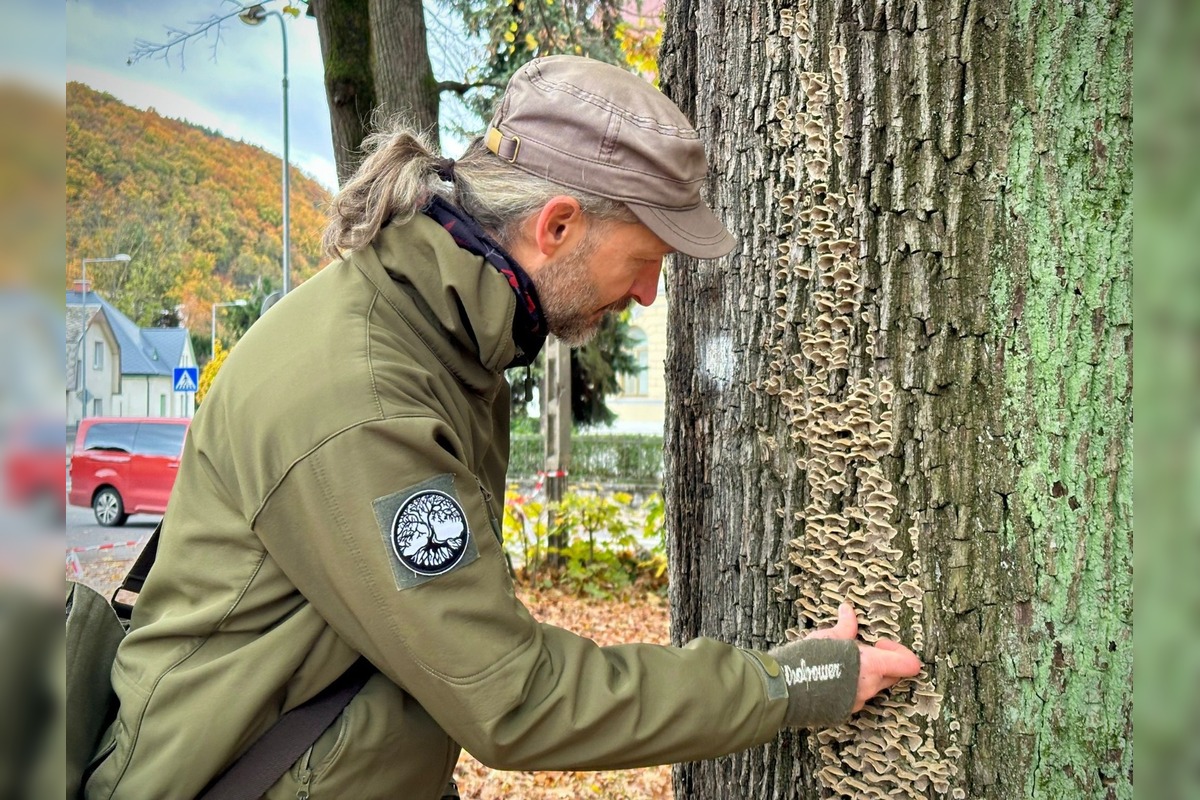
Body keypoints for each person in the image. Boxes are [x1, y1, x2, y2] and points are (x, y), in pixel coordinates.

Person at [84, 55, 921, 799]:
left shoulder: (439, 336)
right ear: (556, 226)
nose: (646, 296)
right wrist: (789, 683)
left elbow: (394, 656)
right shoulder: (369, 400)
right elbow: (513, 698)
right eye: (644, 260)